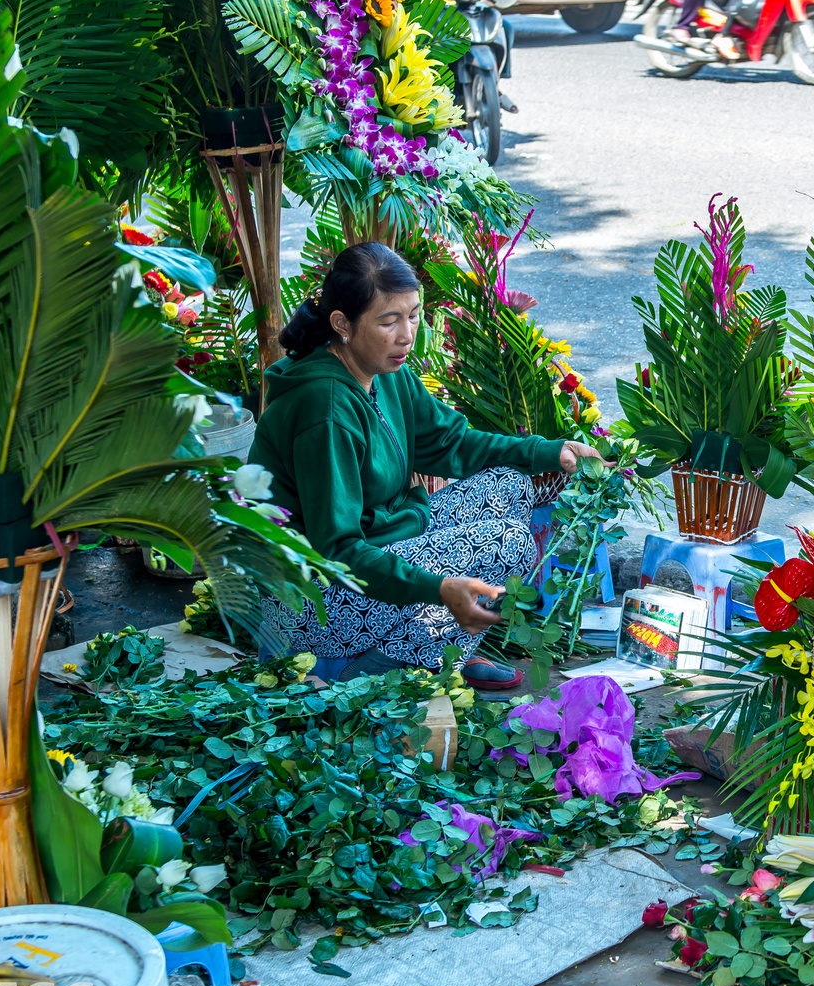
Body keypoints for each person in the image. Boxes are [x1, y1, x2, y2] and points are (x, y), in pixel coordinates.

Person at [248, 242, 602, 687]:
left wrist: (550, 452)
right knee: (508, 543)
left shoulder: (382, 371)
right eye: (388, 321)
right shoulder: (326, 408)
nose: (406, 334)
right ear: (341, 324)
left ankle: (445, 643)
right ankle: (372, 670)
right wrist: (439, 590)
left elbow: (450, 442)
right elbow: (337, 551)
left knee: (510, 484)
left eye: (413, 315)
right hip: (306, 603)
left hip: (376, 545)